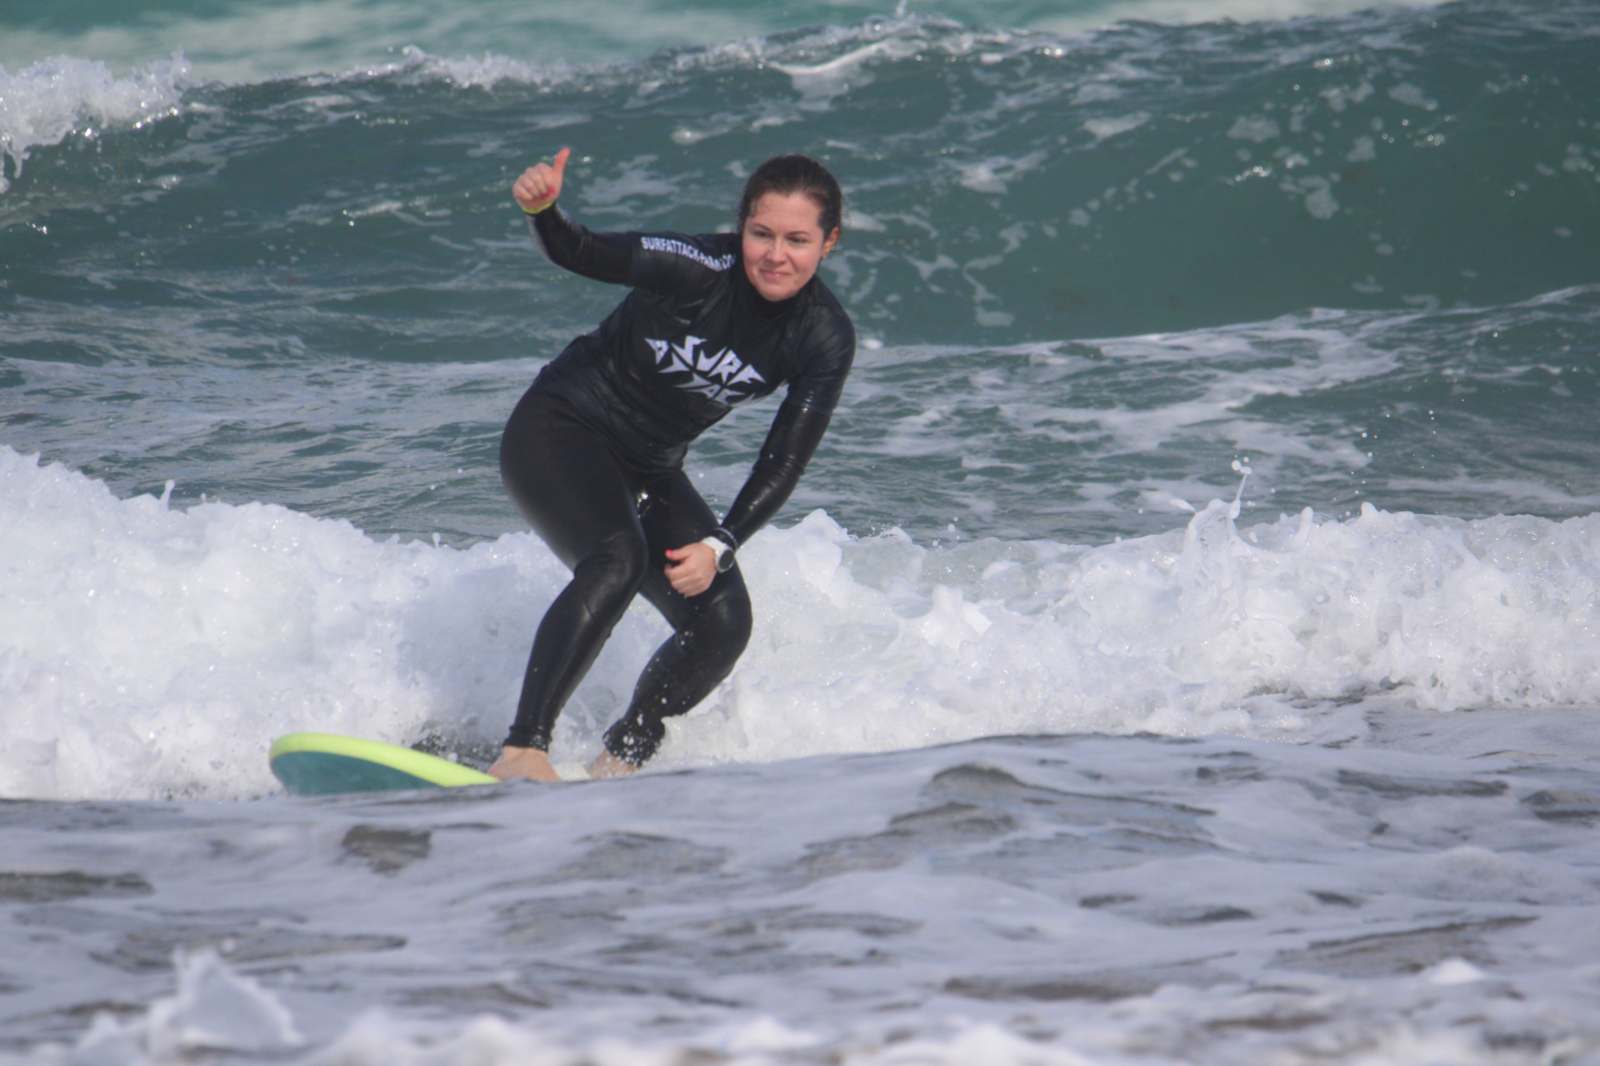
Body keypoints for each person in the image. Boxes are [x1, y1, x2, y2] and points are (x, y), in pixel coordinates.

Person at [488, 147, 855, 783]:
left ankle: (620, 760)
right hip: (559, 428)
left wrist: (722, 541)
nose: (775, 254)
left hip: (649, 466)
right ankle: (523, 750)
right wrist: (543, 211)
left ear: (828, 243)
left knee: (722, 620)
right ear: (740, 226)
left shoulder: (823, 335)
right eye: (761, 233)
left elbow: (785, 456)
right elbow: (583, 251)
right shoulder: (697, 267)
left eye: (797, 239)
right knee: (617, 559)